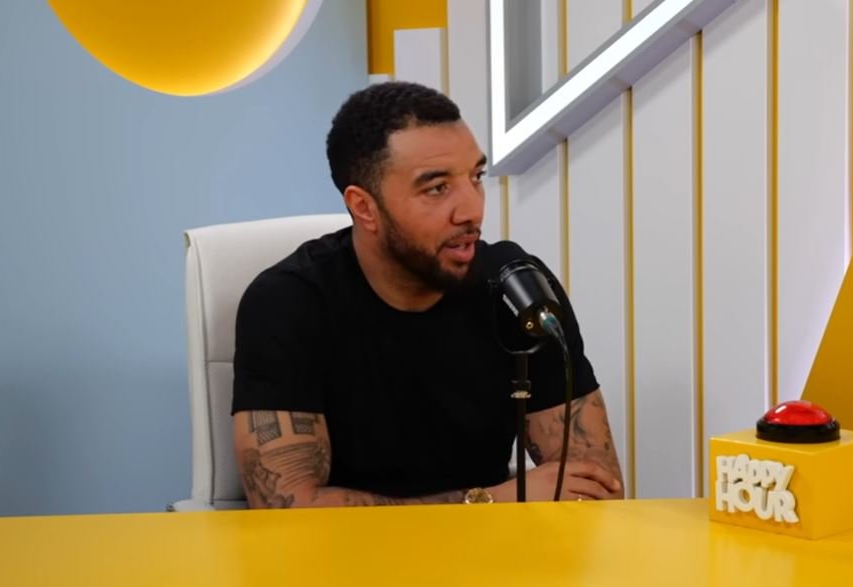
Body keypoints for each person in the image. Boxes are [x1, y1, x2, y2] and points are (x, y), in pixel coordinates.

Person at [232, 81, 623, 508]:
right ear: (364, 207)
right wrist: (488, 501)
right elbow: (288, 511)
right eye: (437, 188)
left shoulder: (517, 291)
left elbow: (595, 487)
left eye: (475, 177)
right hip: (349, 553)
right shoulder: (289, 303)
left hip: (496, 548)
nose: (472, 210)